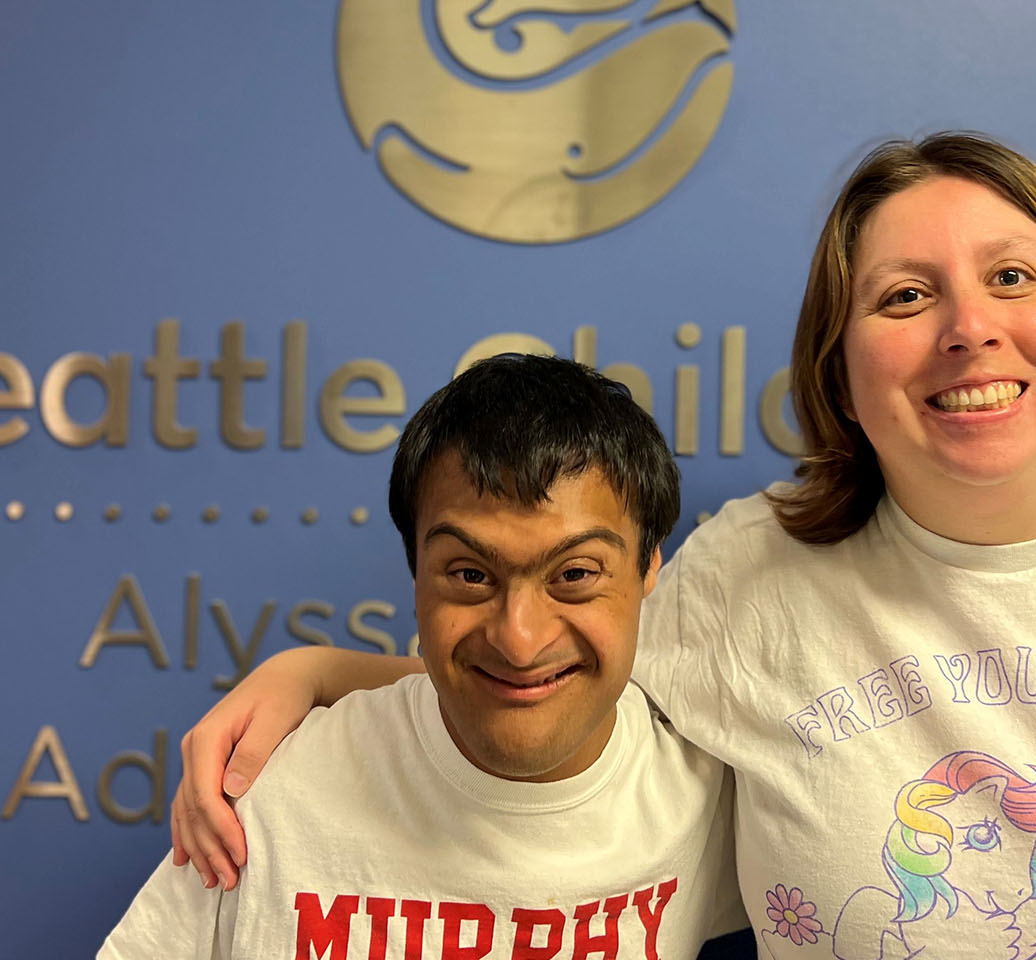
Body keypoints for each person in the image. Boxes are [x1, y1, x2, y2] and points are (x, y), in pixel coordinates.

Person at [168, 133, 1036, 960]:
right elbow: (543, 677)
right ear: (842, 375)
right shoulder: (753, 581)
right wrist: (312, 677)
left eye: (1014, 278)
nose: (970, 327)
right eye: (906, 297)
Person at [101, 355, 742, 959]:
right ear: (414, 575)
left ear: (648, 565)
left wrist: (315, 668)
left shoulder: (706, 788)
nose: (520, 640)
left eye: (574, 574)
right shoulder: (274, 786)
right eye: (468, 575)